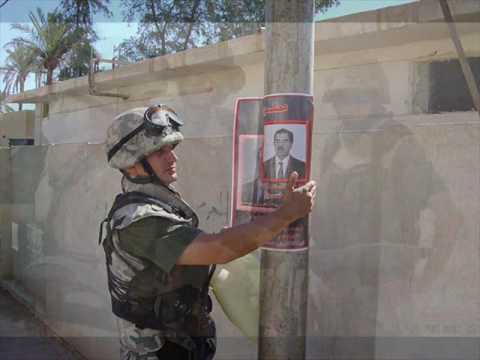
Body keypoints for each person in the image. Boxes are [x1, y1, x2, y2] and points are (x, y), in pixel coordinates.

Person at [100, 104, 316, 360]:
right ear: (132, 165)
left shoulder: (156, 206)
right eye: (159, 152)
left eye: (171, 148)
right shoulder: (140, 220)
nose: (172, 158)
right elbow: (220, 249)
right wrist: (286, 214)